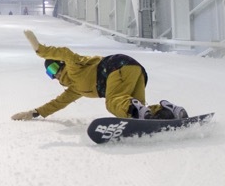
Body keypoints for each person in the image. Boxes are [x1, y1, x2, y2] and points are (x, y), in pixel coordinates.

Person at [10, 29, 188, 121]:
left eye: (54, 67)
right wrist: (34, 113)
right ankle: (168, 111)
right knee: (139, 110)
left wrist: (40, 50)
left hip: (116, 67)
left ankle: (137, 109)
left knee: (114, 102)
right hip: (134, 69)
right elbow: (58, 103)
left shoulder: (75, 67)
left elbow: (64, 52)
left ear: (61, 64)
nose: (55, 74)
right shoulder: (74, 89)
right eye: (49, 73)